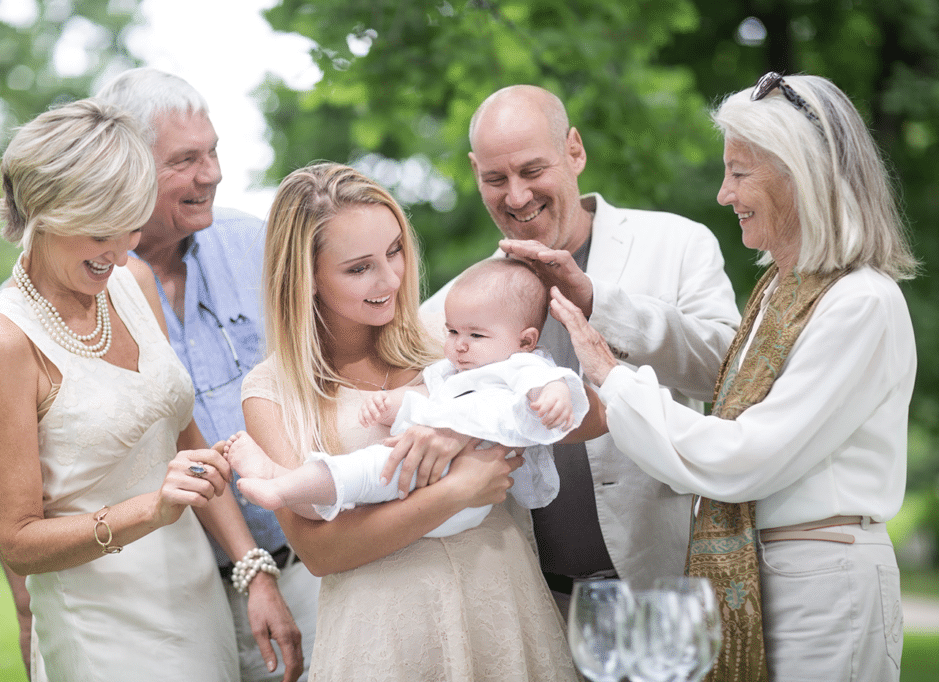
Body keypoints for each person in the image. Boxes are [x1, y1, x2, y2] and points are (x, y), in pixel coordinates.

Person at [549, 72, 917, 681]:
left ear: (802, 176)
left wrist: (613, 378)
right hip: (776, 572)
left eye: (740, 173)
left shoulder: (861, 303)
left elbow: (745, 456)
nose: (724, 194)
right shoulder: (778, 293)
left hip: (822, 585)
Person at [241, 161, 584, 681]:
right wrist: (459, 488)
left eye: (395, 250)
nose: (390, 278)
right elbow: (320, 551)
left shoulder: (452, 340)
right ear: (305, 278)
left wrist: (463, 427)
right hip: (383, 635)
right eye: (359, 268)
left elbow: (580, 415)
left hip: (499, 604)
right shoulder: (272, 390)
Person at [0, 99, 255, 681]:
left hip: (196, 598)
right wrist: (152, 509)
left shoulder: (132, 280)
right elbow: (17, 540)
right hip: (102, 628)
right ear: (43, 212)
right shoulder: (1, 340)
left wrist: (253, 569)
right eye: (101, 232)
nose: (121, 252)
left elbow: (186, 444)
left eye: (132, 226)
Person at [421, 84, 742, 614]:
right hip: (532, 604)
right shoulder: (449, 308)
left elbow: (727, 373)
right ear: (475, 172)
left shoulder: (678, 242)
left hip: (663, 586)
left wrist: (596, 301)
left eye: (532, 170)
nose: (516, 197)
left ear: (574, 150)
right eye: (495, 179)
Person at [96, 67, 316, 682]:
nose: (212, 173)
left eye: (213, 151)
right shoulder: (88, 282)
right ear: (128, 168)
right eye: (186, 160)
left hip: (303, 565)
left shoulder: (258, 246)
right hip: (167, 599)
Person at [225, 258, 589, 536]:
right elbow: (425, 391)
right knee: (369, 467)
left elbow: (551, 381)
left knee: (377, 469)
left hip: (465, 486)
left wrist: (555, 394)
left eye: (476, 335)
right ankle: (283, 481)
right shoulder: (454, 369)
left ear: (525, 340)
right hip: (428, 480)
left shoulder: (521, 365)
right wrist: (392, 403)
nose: (460, 345)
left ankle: (286, 483)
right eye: (452, 331)